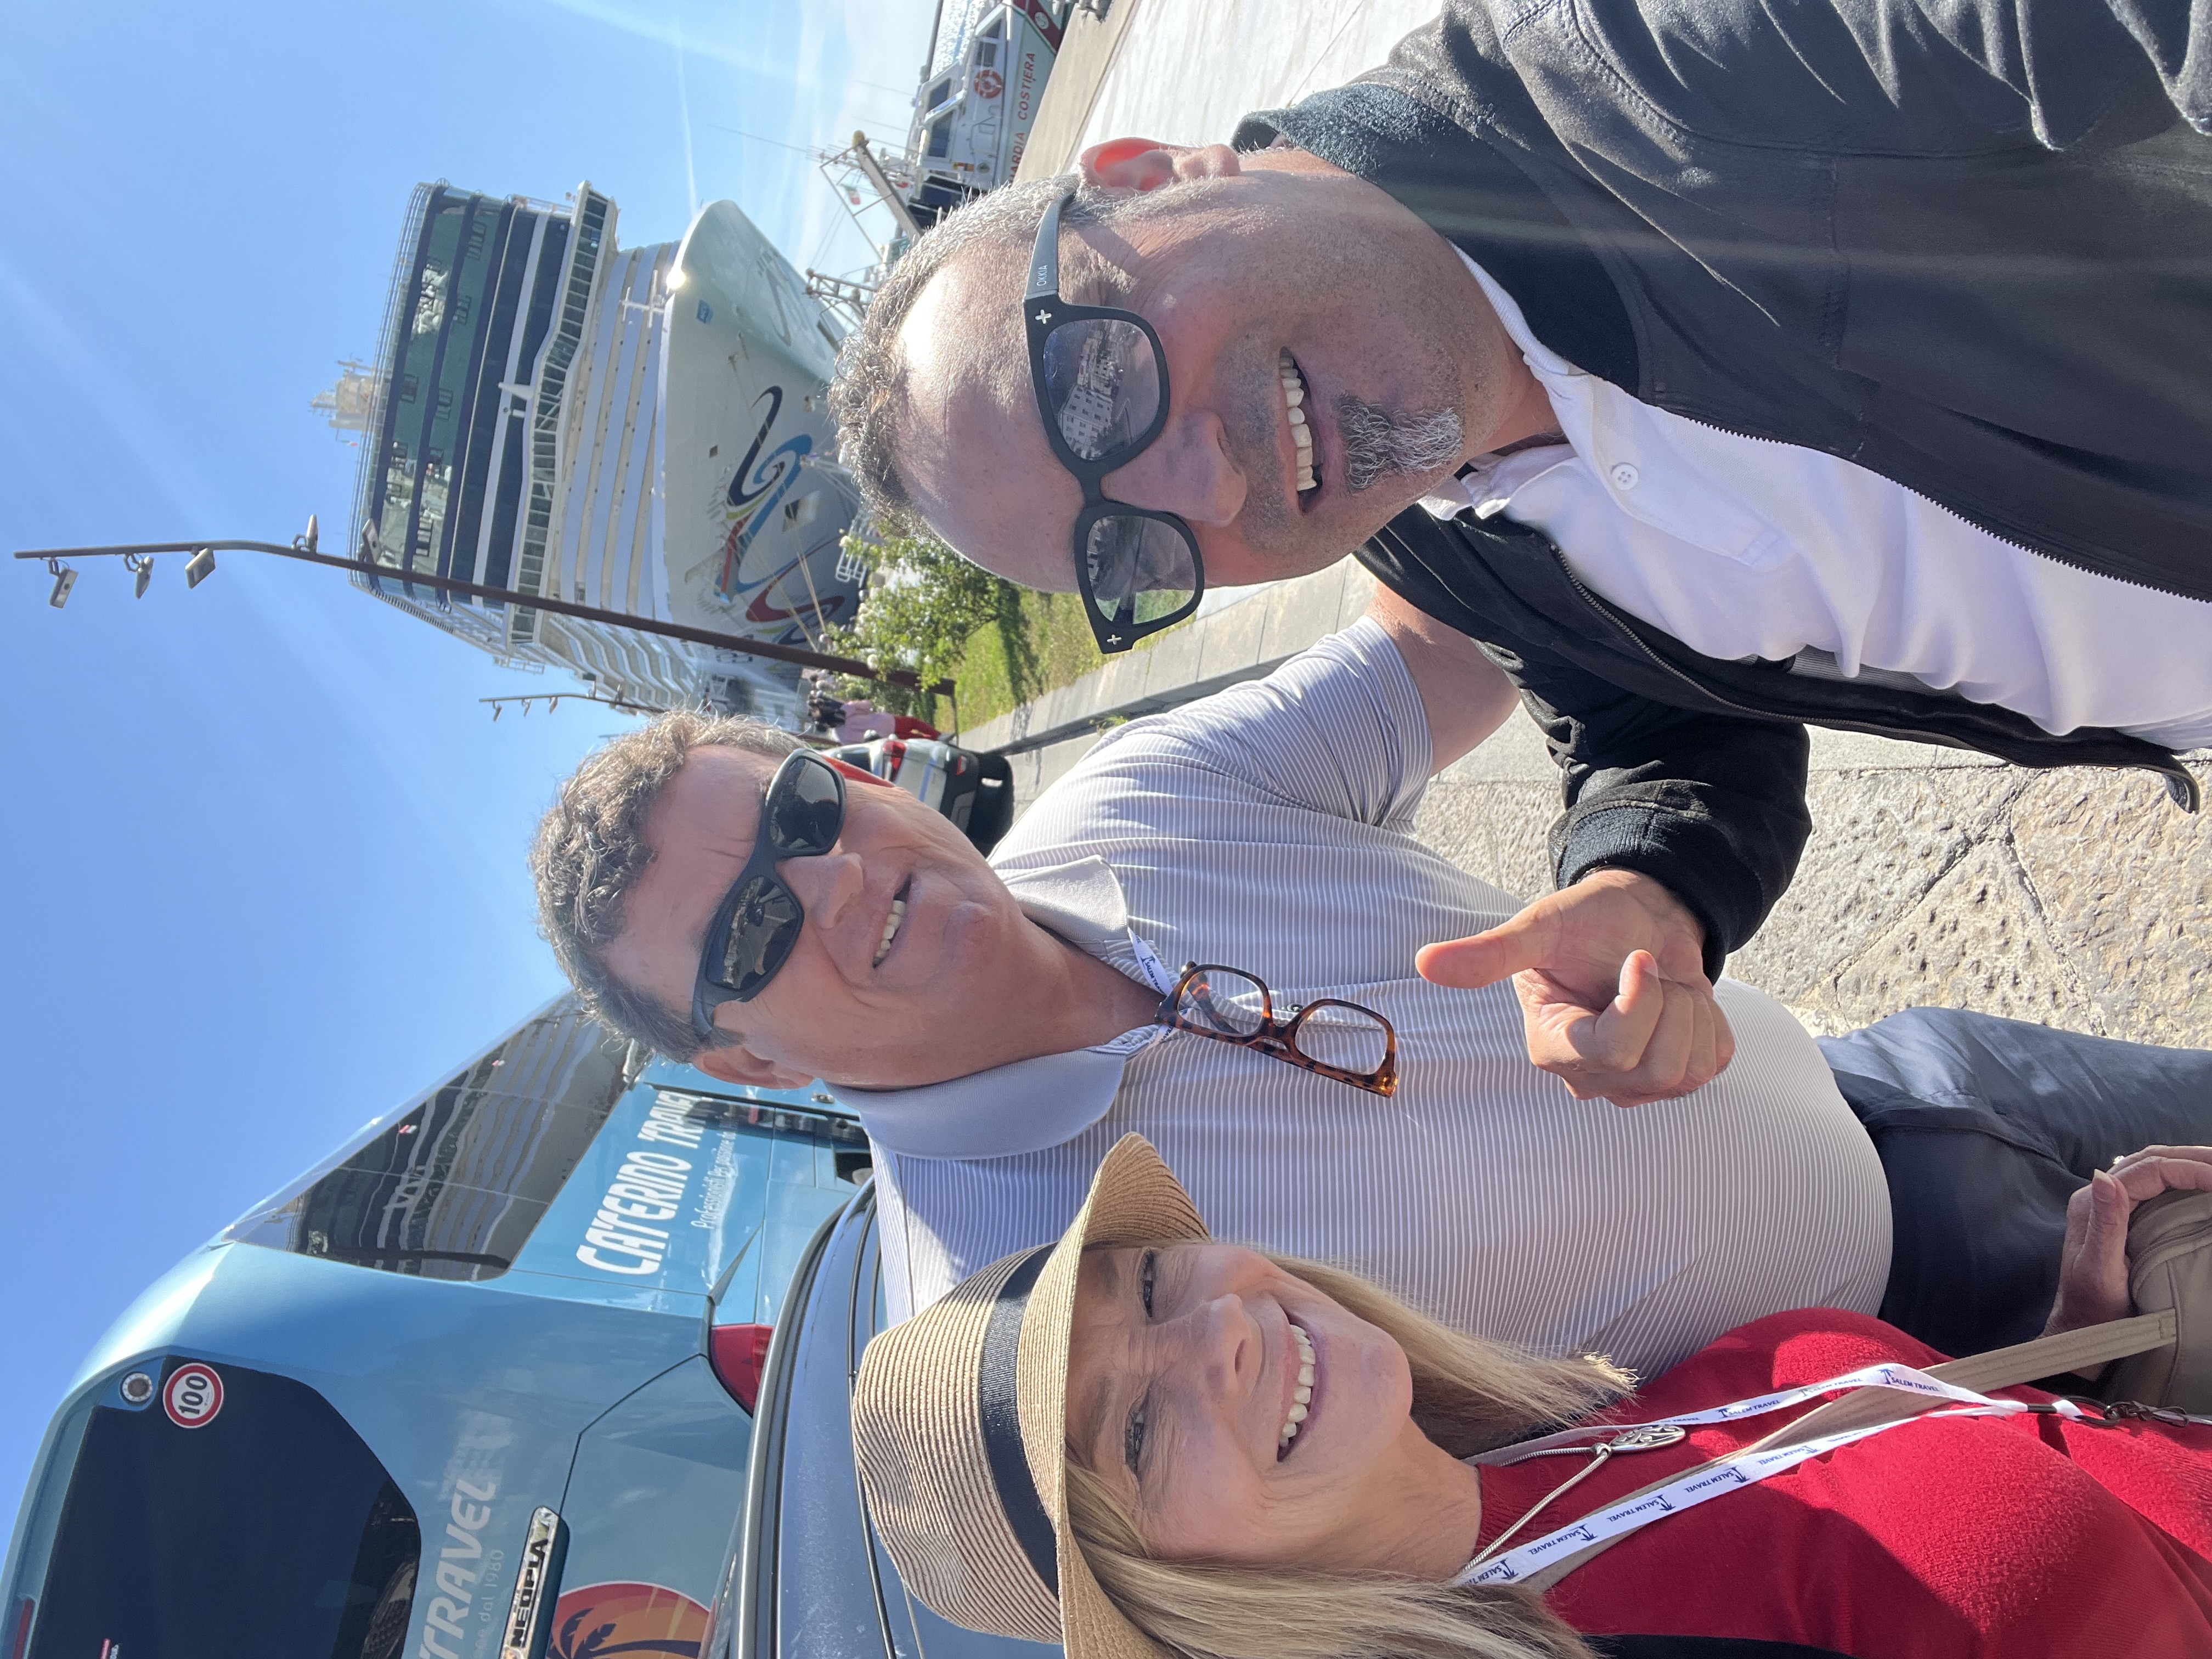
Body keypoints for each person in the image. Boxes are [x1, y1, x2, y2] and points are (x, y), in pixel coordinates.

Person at [822, 0, 2212, 1107]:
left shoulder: (1657, 65)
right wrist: (1649, 875)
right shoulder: (1436, 537)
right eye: (1129, 547)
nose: (1205, 483)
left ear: (1146, 176)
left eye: (1095, 393)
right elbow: (1648, 711)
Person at [531, 605, 2212, 1367]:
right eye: (752, 933)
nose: (834, 882)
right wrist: (2017, 1405)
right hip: (1977, 1359)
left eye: (808, 811)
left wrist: (1635, 874)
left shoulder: (1131, 801)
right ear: (745, 1055)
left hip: (1907, 1077)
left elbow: (1451, 627)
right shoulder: (1012, 1314)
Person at [850, 1133, 2212, 1659]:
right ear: (1166, 1594)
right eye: (1134, 1435)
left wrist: (2075, 1364)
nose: (1216, 1341)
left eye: (1151, 1286)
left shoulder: (1601, 1426)